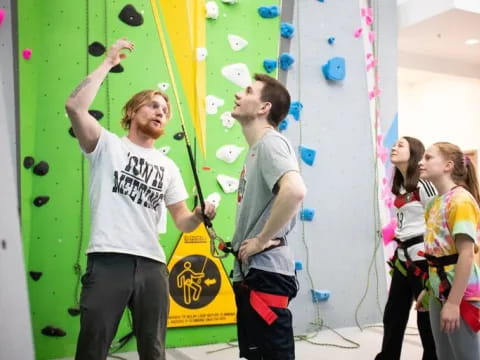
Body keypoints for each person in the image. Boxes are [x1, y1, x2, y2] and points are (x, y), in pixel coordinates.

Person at [65, 38, 215, 360]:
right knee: (92, 348)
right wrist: (108, 62)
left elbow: (183, 222)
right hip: (108, 259)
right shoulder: (106, 145)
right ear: (132, 111)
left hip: (153, 265)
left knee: (154, 351)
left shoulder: (168, 166)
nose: (160, 112)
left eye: (164, 110)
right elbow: (74, 106)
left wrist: (199, 214)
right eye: (152, 105)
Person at [230, 73, 307, 360]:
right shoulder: (255, 150)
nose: (238, 94)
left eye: (248, 91)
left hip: (267, 273)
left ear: (264, 108)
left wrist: (262, 240)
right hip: (256, 273)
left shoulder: (270, 143)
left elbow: (295, 190)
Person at [375, 136, 437, 360]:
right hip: (402, 259)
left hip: (422, 258)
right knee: (393, 314)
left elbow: (436, 221)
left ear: (414, 153)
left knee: (426, 318)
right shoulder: (401, 186)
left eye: (400, 145)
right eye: (394, 144)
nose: (394, 147)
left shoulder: (425, 183)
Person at [416, 142, 480, 360]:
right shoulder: (434, 203)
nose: (420, 162)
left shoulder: (461, 201)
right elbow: (437, 253)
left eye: (428, 158)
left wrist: (453, 302)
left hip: (461, 294)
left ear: (448, 165)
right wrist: (428, 287)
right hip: (438, 290)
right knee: (444, 355)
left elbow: (466, 254)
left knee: (465, 355)